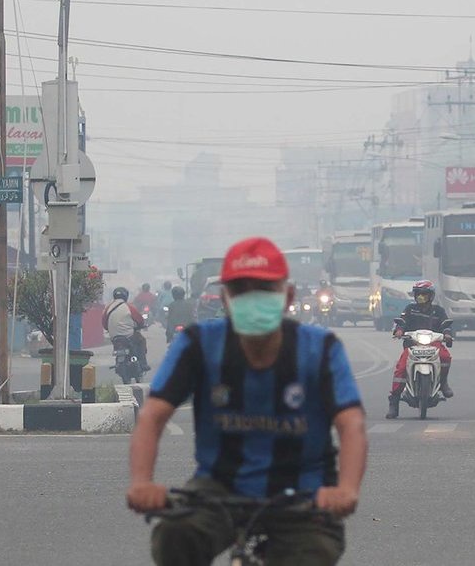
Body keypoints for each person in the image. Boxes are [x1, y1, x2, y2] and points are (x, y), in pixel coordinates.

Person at [127, 237, 368, 566]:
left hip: (303, 496)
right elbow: (153, 416)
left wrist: (346, 489)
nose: (253, 299)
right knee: (174, 537)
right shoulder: (198, 345)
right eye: (241, 290)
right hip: (219, 490)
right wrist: (142, 483)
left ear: (288, 297)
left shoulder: (320, 349)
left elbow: (351, 423)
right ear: (225, 298)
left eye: (265, 289)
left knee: (313, 555)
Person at [387, 280, 453, 419]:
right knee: (401, 368)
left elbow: (446, 325)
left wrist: (447, 335)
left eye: (424, 294)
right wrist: (399, 330)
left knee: (446, 357)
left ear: (431, 295)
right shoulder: (410, 309)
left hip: (434, 344)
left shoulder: (438, 311)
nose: (420, 296)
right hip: (412, 345)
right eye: (418, 294)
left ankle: (443, 382)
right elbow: (401, 322)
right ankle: (394, 400)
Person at [104, 287, 150, 372]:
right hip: (128, 335)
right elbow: (140, 320)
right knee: (142, 340)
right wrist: (141, 325)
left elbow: (104, 323)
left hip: (114, 336)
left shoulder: (108, 308)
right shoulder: (129, 307)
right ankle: (143, 363)